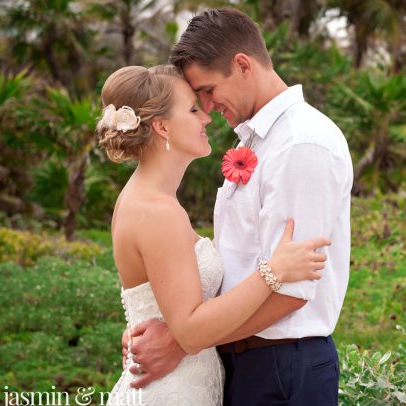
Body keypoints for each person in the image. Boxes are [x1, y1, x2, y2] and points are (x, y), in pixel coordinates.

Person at [123, 7, 353, 406]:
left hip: (284, 369)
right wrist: (163, 323)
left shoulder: (300, 143)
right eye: (198, 100)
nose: (208, 108)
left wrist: (181, 341)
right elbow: (243, 259)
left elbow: (294, 289)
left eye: (208, 91)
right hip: (243, 360)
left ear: (242, 65)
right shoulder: (256, 139)